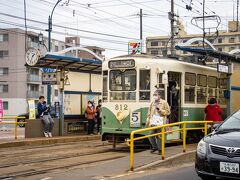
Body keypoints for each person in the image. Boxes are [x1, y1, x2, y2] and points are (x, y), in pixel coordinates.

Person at [146, 89, 171, 155]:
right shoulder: (152, 103)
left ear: (159, 95)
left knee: (159, 136)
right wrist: (148, 119)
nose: (154, 96)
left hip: (160, 121)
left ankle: (160, 150)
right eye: (154, 95)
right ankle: (155, 147)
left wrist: (161, 111)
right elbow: (149, 111)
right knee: (150, 135)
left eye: (156, 95)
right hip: (153, 121)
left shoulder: (164, 102)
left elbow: (168, 112)